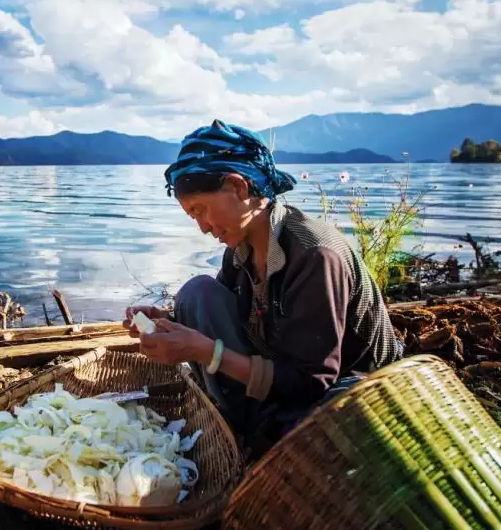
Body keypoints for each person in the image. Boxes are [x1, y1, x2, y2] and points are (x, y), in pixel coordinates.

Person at [123, 119, 403, 456]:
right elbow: (223, 317)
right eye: (191, 216)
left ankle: (254, 437)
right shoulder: (239, 253)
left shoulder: (314, 255)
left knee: (315, 432)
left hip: (351, 395)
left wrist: (204, 352)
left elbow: (313, 381)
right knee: (196, 294)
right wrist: (165, 323)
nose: (202, 227)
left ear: (238, 187)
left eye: (201, 210)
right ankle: (245, 428)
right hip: (281, 385)